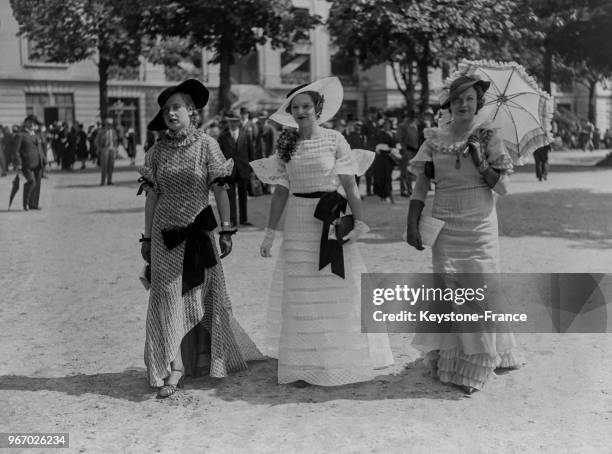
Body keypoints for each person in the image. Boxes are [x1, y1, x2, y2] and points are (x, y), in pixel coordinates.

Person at [253, 77, 394, 387]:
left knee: (334, 285)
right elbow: (279, 192)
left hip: (329, 219)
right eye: (296, 107)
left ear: (317, 109)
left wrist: (358, 221)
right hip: (298, 223)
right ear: (290, 112)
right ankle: (305, 361)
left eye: (307, 106)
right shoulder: (286, 145)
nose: (302, 111)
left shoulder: (334, 139)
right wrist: (269, 234)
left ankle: (338, 358)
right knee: (302, 289)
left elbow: (349, 185)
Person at [139, 79, 263, 398]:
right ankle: (174, 368)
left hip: (200, 234)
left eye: (176, 107)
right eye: (166, 109)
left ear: (192, 111)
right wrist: (146, 240)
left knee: (205, 296)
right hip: (165, 236)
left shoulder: (207, 146)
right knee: (166, 298)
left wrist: (227, 227)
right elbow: (151, 198)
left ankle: (212, 359)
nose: (170, 113)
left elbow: (221, 189)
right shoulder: (156, 152)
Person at [406, 72, 520, 394]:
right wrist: (411, 223)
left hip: (480, 226)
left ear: (478, 103)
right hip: (445, 226)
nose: (464, 104)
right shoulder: (434, 139)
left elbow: (504, 188)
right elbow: (421, 185)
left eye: (470, 99)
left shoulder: (487, 136)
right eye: (458, 99)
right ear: (449, 104)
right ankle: (453, 359)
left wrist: (481, 161)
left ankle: (478, 363)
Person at [217, 113, 254, 227]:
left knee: (243, 196)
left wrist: (252, 170)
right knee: (230, 196)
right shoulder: (223, 137)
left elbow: (251, 152)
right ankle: (232, 220)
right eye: (231, 121)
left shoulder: (246, 135)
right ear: (228, 122)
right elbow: (218, 155)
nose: (233, 123)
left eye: (235, 121)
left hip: (243, 169)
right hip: (229, 172)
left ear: (239, 122)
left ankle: (244, 219)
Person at [12, 115, 47, 210]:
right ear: (25, 122)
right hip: (26, 164)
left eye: (34, 123)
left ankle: (33, 204)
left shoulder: (36, 135)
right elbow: (15, 151)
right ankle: (26, 204)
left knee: (37, 185)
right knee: (31, 182)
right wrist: (18, 163)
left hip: (38, 163)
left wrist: (44, 160)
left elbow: (40, 149)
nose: (32, 124)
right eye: (30, 122)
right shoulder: (20, 135)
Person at [372, 118, 397, 203]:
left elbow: (396, 144)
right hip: (383, 158)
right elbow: (380, 146)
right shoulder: (381, 134)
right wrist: (390, 148)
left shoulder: (393, 133)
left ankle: (387, 194)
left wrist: (396, 149)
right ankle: (385, 195)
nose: (387, 125)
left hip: (391, 158)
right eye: (385, 124)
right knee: (384, 176)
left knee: (389, 176)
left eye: (389, 124)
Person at [396, 109, 420, 197]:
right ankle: (403, 190)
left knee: (410, 172)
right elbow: (398, 138)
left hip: (414, 151)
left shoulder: (414, 126)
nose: (413, 118)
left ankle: (410, 189)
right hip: (406, 151)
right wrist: (403, 149)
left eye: (414, 117)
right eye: (412, 117)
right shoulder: (402, 126)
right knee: (404, 172)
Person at [95, 118, 118, 185]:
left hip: (112, 149)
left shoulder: (113, 131)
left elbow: (116, 141)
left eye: (111, 124)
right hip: (104, 149)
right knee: (104, 166)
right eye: (108, 124)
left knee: (111, 166)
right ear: (105, 124)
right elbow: (96, 141)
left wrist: (115, 149)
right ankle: (102, 181)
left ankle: (109, 181)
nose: (110, 125)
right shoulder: (101, 131)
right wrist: (100, 149)